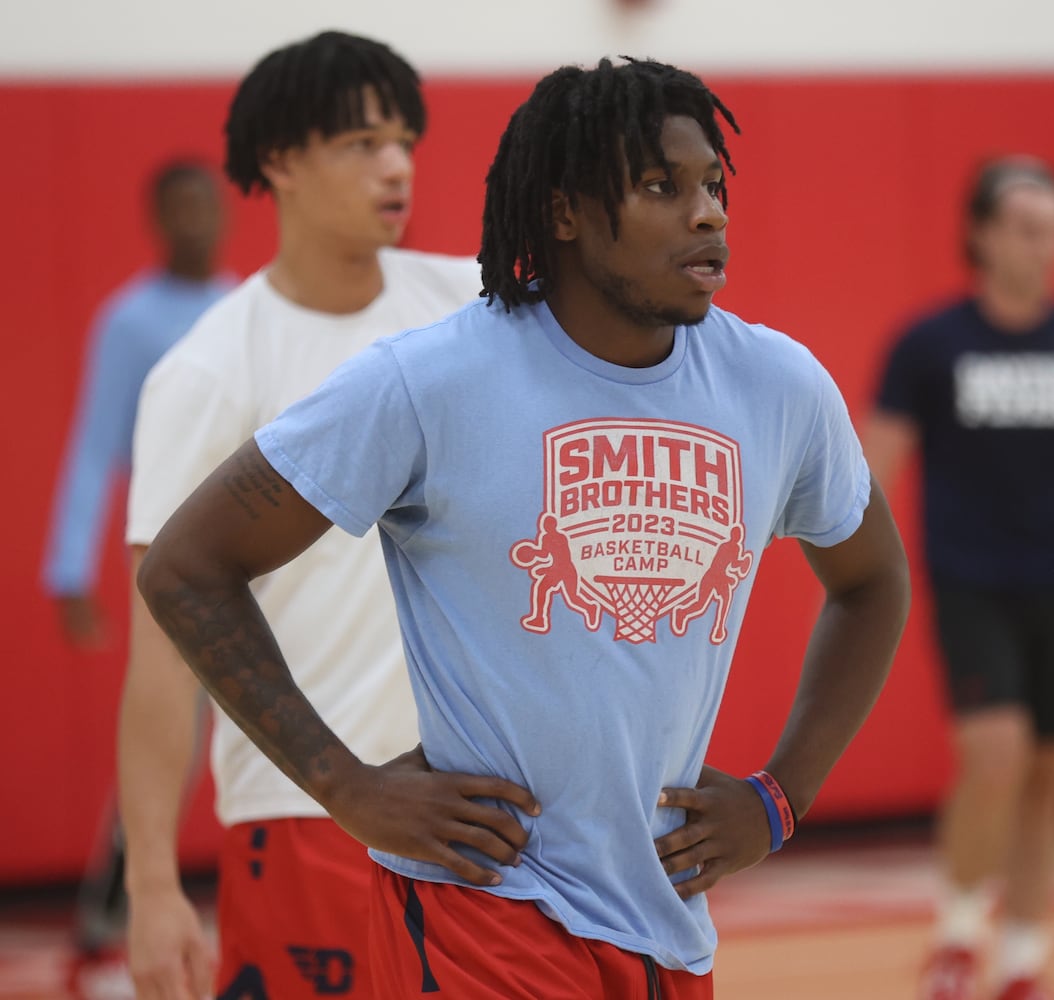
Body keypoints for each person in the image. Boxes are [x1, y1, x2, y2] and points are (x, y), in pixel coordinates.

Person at [136, 56, 911, 999]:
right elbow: (185, 566)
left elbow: (873, 580)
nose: (706, 213)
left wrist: (780, 797)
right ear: (563, 213)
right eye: (660, 188)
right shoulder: (426, 381)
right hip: (478, 909)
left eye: (712, 184)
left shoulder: (780, 386)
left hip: (664, 919)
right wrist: (343, 784)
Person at [118, 31, 482, 1000]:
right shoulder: (208, 369)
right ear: (280, 161)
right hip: (307, 807)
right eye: (362, 143)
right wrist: (151, 881)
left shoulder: (472, 307)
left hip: (479, 812)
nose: (396, 165)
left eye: (404, 139)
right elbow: (164, 653)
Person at [864, 157, 1054, 1000]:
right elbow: (875, 461)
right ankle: (958, 935)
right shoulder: (929, 345)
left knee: (1049, 776)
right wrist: (864, 572)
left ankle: (1023, 961)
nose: (1049, 248)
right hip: (968, 581)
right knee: (995, 756)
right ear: (982, 235)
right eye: (1030, 229)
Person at [39, 159, 230, 954]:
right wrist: (68, 568)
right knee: (170, 732)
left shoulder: (247, 305)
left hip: (257, 548)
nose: (194, 221)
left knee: (276, 720)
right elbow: (93, 447)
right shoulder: (129, 321)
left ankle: (284, 885)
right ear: (157, 218)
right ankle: (121, 892)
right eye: (178, 208)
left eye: (205, 205)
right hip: (166, 551)